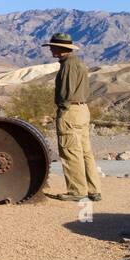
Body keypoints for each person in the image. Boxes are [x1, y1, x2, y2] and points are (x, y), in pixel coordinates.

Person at [44, 32, 101, 202]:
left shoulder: (68, 65)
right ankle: (93, 189)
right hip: (83, 110)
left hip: (71, 112)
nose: (51, 49)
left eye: (52, 46)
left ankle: (77, 191)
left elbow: (66, 93)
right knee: (85, 151)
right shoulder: (78, 63)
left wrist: (62, 108)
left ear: (61, 48)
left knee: (70, 152)